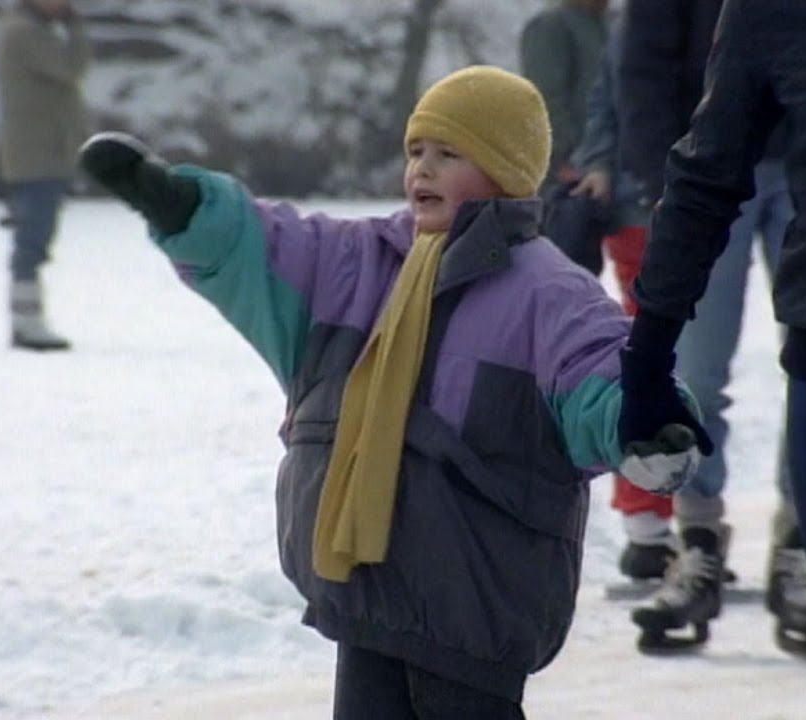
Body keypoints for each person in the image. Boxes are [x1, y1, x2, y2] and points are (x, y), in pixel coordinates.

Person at [78, 65, 705, 718]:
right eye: (415, 152)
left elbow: (602, 367)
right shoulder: (363, 262)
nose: (422, 171)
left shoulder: (545, 291)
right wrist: (183, 208)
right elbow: (266, 246)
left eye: (448, 154)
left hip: (475, 608)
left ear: (504, 169)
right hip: (370, 597)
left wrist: (644, 419)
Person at [614, 0, 806, 653]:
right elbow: (641, 64)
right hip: (717, 151)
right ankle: (696, 540)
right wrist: (645, 356)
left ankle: (795, 546)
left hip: (787, 168)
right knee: (697, 372)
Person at [0, 0, 91, 351]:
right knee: (32, 238)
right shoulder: (24, 33)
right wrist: (76, 28)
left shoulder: (29, 31)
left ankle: (28, 318)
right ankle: (26, 322)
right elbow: (71, 68)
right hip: (37, 155)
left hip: (42, 153)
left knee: (35, 235)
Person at [520, 0, 610, 257]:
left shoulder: (605, 25)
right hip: (564, 172)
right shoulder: (550, 26)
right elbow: (545, 98)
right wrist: (564, 154)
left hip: (599, 166)